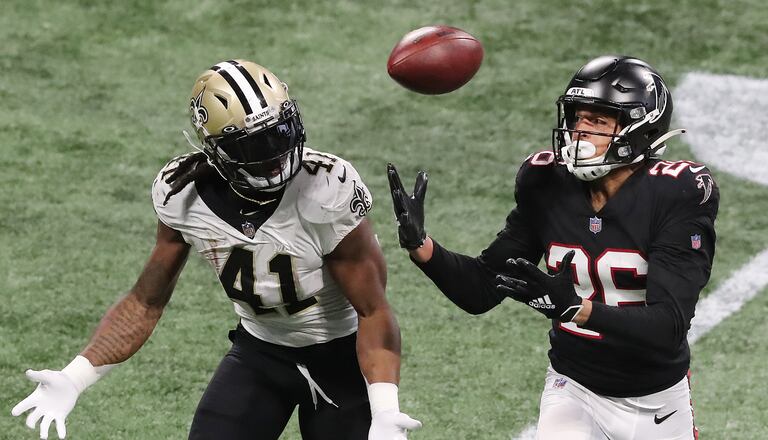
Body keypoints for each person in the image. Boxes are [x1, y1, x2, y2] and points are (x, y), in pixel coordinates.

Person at [12, 59, 421, 440]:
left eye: (279, 133)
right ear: (216, 149)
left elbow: (373, 310)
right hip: (261, 352)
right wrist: (75, 377)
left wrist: (385, 408)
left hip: (343, 359)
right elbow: (145, 301)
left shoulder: (327, 188)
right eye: (254, 146)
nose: (275, 155)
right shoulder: (183, 193)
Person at [387, 55, 717, 440]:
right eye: (577, 118)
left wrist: (578, 308)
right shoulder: (547, 182)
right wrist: (421, 246)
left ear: (640, 128)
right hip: (573, 387)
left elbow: (668, 326)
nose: (580, 131)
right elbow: (482, 288)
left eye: (599, 121)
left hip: (657, 398)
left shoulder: (675, 193)